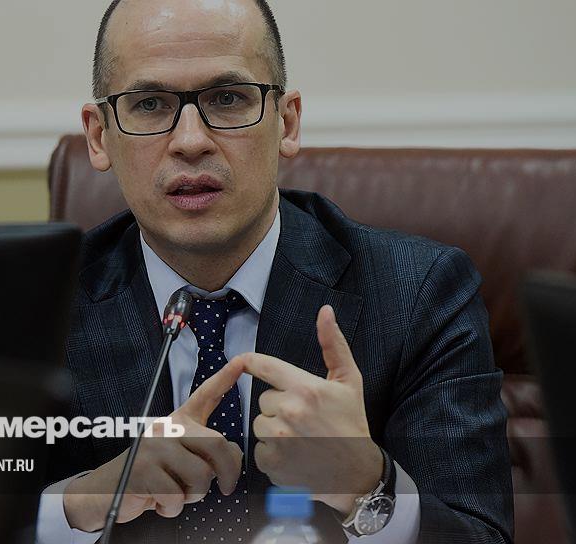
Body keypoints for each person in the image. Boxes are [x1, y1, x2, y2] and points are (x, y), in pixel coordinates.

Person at [37, 1, 513, 543]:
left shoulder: (419, 293)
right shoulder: (32, 306)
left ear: (287, 122)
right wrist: (81, 503)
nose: (191, 140)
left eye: (227, 98)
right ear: (99, 136)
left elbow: (481, 534)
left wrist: (366, 486)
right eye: (149, 104)